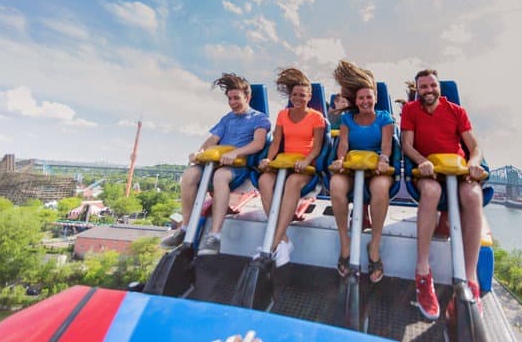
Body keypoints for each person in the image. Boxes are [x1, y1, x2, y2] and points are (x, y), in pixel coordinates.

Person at [400, 69, 487, 320]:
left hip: (457, 169)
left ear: (439, 87)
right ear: (418, 90)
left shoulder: (456, 111)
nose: (428, 90)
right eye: (423, 87)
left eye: (432, 86)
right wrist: (421, 161)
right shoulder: (411, 110)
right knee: (430, 191)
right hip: (428, 169)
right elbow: (407, 144)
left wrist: (473, 162)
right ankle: (423, 273)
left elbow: (475, 147)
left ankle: (470, 280)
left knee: (473, 195)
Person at [161, 73, 271, 254]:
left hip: (237, 166)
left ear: (248, 97)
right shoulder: (227, 118)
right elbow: (213, 139)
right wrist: (200, 153)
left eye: (237, 98)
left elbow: (258, 143)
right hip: (216, 163)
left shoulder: (260, 118)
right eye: (229, 99)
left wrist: (235, 153)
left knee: (220, 177)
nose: (232, 102)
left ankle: (215, 236)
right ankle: (185, 228)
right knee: (189, 174)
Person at [329, 60, 394, 283]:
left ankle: (374, 245)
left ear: (375, 98)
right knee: (336, 185)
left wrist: (383, 160)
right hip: (352, 164)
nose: (365, 101)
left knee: (381, 188)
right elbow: (343, 144)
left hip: (376, 165)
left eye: (369, 97)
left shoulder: (385, 118)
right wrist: (340, 160)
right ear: (355, 101)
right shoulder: (347, 118)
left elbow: (386, 145)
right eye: (361, 98)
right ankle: (345, 244)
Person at [257, 68, 326, 267]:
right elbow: (276, 143)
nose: (298, 98)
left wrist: (306, 161)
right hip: (284, 162)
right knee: (264, 180)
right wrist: (269, 160)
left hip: (304, 165)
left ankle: (271, 244)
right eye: (294, 95)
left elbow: (317, 146)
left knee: (293, 183)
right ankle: (284, 240)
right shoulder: (282, 115)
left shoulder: (317, 117)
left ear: (309, 96)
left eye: (302, 95)